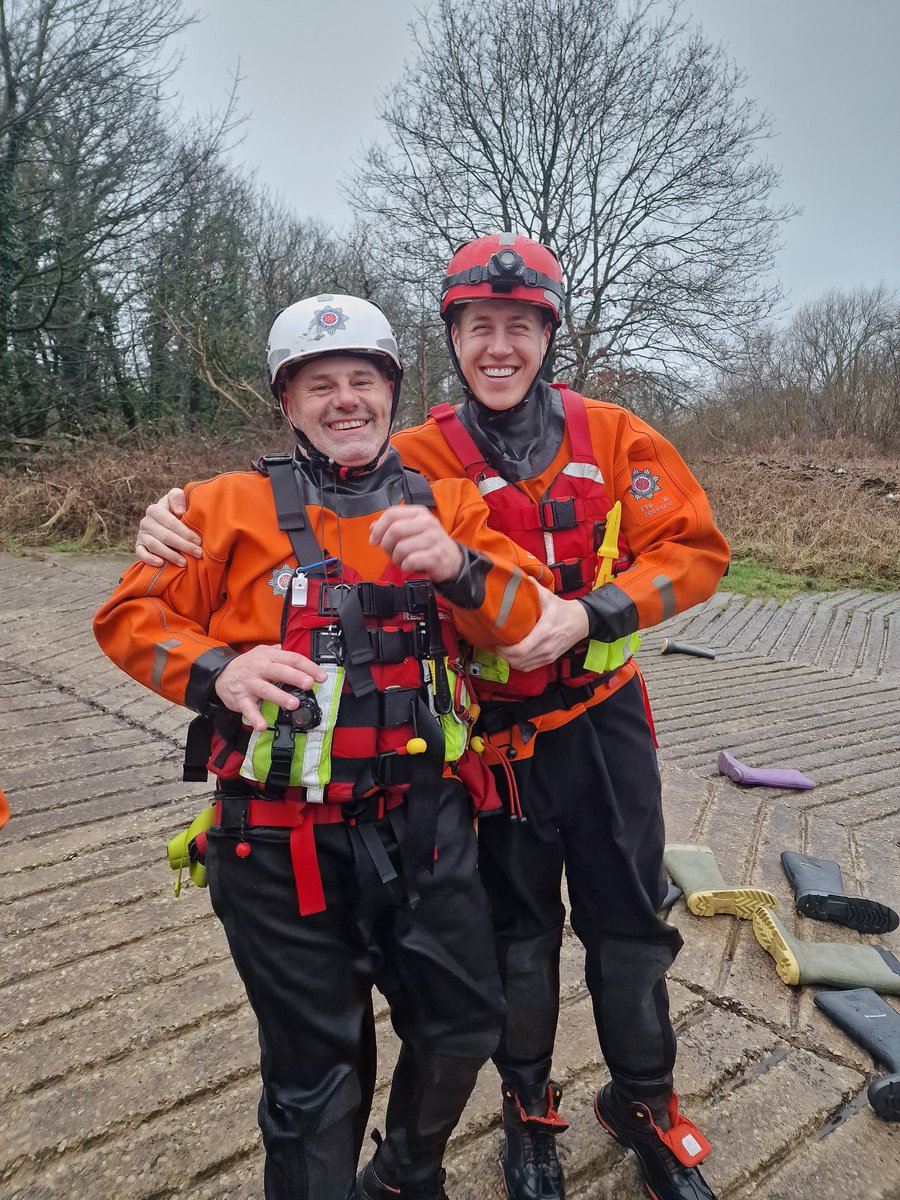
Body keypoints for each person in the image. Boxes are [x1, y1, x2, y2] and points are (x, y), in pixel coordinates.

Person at [136, 236, 731, 1200]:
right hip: (485, 745)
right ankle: (529, 1112)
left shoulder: (611, 436)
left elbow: (695, 551)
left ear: (548, 332)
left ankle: (645, 1102)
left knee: (628, 927)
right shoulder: (408, 457)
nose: (500, 346)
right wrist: (171, 523)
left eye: (521, 325)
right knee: (518, 940)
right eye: (478, 327)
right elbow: (299, 489)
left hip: (601, 723)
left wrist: (588, 612)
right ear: (452, 340)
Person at [95, 293, 559, 1200]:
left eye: (362, 380)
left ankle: (400, 1177)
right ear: (287, 401)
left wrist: (458, 566)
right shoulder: (214, 507)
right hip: (276, 845)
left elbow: (531, 627)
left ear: (392, 391)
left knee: (466, 1022)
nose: (344, 400)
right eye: (320, 385)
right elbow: (127, 615)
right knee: (317, 1082)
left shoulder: (454, 507)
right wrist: (217, 669)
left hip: (428, 828)